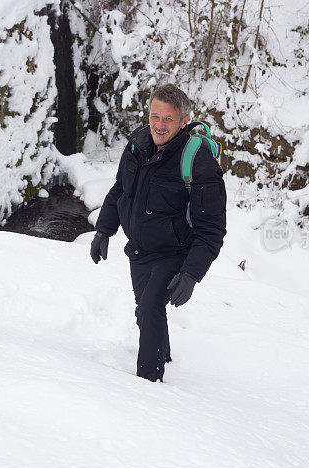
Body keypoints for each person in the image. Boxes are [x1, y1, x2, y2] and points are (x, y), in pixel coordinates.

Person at [90, 84, 227, 382]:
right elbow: (120, 189)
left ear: (184, 121)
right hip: (140, 247)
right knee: (145, 309)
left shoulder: (199, 163)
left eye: (168, 119)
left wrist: (191, 274)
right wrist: (104, 230)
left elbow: (212, 229)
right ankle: (162, 353)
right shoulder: (138, 143)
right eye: (155, 116)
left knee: (151, 306)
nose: (159, 125)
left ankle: (148, 383)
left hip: (175, 251)